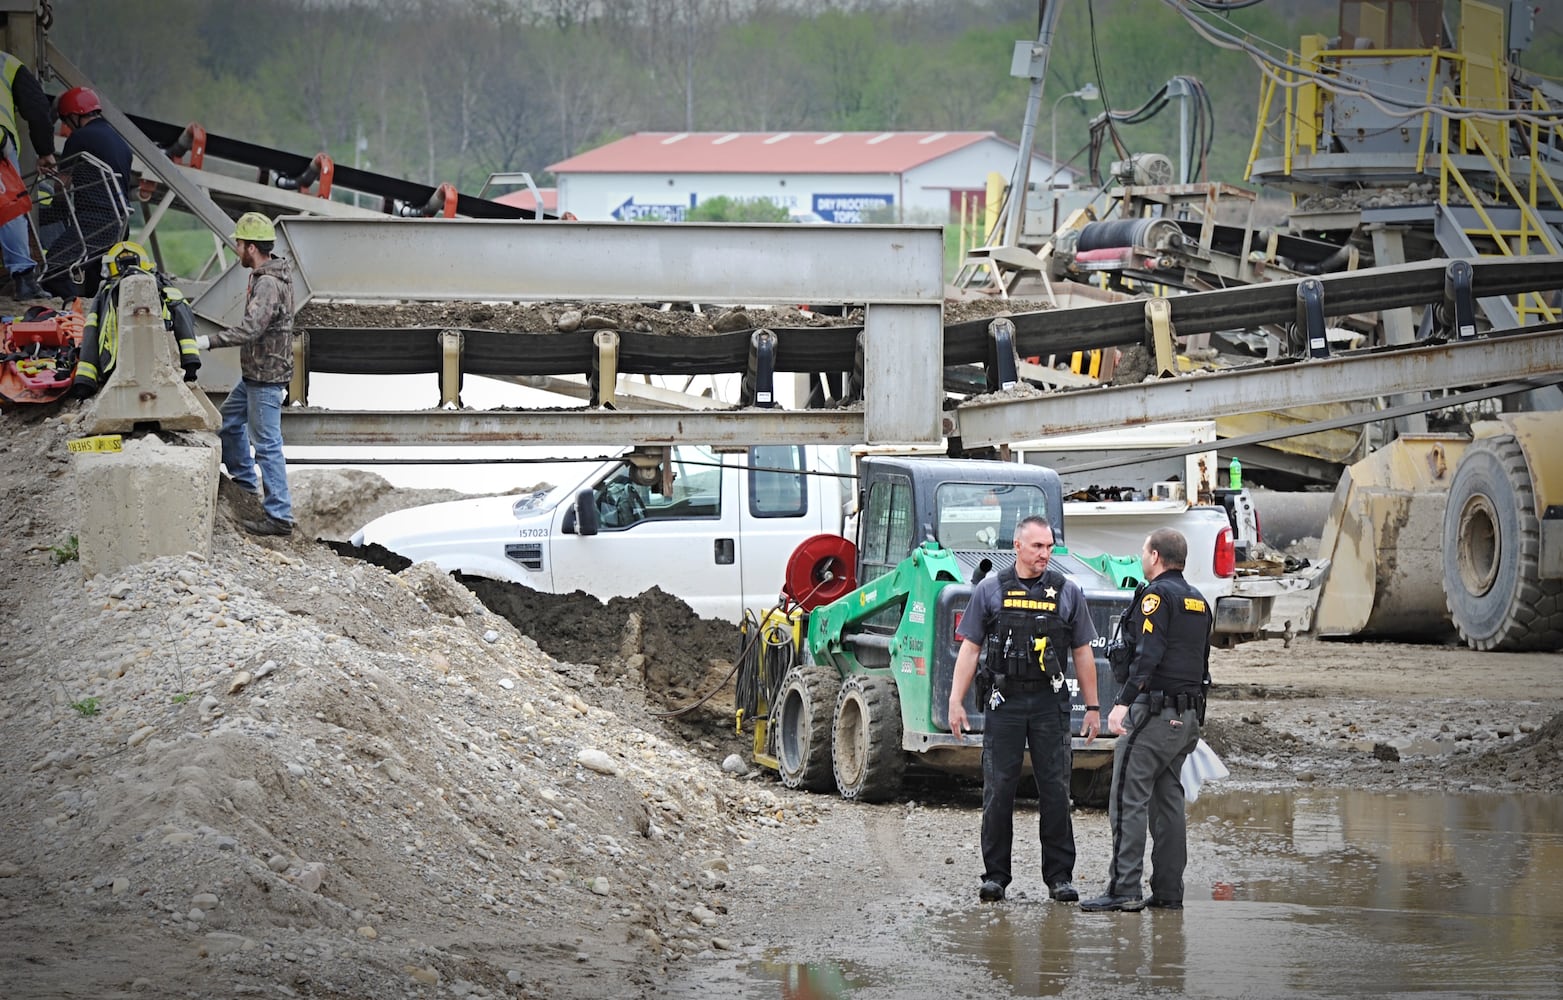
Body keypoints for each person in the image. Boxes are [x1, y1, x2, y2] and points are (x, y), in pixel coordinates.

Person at [948, 515, 1102, 904]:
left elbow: (1082, 651)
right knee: (999, 789)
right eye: (1037, 547)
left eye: (1049, 547)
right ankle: (995, 876)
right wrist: (955, 700)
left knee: (1055, 790)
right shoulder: (990, 591)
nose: (1045, 554)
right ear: (1017, 547)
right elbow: (970, 648)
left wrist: (1094, 707)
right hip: (1006, 703)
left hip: (1050, 703)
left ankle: (1059, 878)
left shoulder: (1067, 592)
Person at [1082, 527, 1213, 913]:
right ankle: (1169, 892)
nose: (1142, 557)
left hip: (1155, 714)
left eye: (1143, 551)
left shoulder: (1157, 596)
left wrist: (1123, 703)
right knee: (1169, 800)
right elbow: (1202, 662)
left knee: (1128, 798)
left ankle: (1124, 889)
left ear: (1155, 556)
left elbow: (1148, 654)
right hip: (1187, 717)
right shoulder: (1198, 600)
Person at [194, 212, 296, 536]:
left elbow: (252, 329)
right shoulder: (267, 275)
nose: (235, 249)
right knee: (227, 424)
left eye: (238, 244)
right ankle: (246, 487)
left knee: (266, 445)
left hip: (265, 378)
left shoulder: (267, 283)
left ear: (251, 248)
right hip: (255, 373)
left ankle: (279, 516)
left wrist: (206, 342)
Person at [70, 240, 200, 398]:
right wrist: (190, 367)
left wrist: (85, 381)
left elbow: (91, 333)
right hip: (149, 368)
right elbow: (184, 325)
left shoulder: (109, 293)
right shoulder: (164, 289)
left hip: (121, 369)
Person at [39, 86, 133, 301]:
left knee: (54, 270)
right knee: (94, 280)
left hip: (94, 220)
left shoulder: (80, 138)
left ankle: (74, 314)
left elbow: (62, 184)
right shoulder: (118, 140)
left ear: (73, 115)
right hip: (120, 222)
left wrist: (52, 211)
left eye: (65, 120)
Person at [0, 50, 57, 300]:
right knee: (10, 208)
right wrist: (45, 151)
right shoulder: (6, 63)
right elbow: (37, 108)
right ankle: (24, 279)